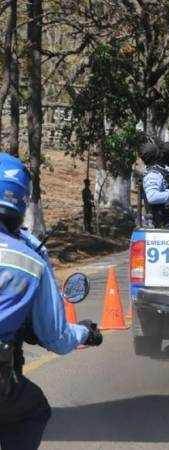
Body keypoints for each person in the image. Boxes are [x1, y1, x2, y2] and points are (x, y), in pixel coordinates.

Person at [0, 153, 102, 450]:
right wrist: (85, 332)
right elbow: (56, 338)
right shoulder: (29, 261)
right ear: (20, 198)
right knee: (33, 410)